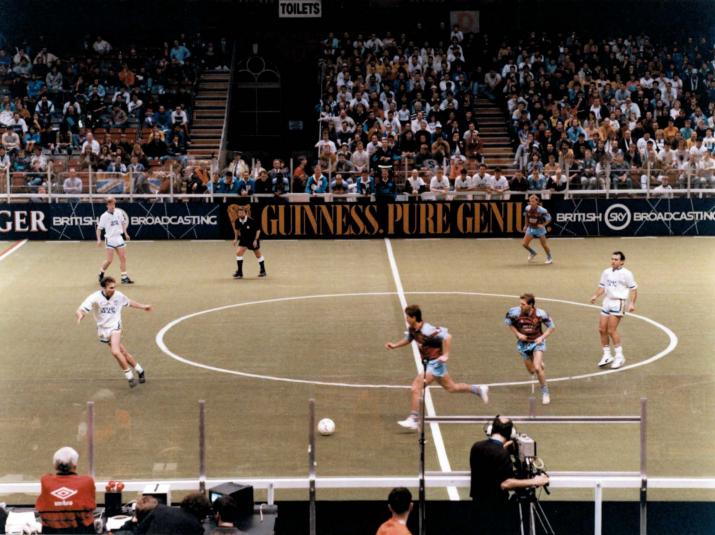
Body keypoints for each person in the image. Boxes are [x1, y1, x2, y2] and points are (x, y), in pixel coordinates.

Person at [385, 305, 489, 430]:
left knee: (416, 387)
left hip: (435, 363)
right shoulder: (413, 329)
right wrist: (395, 345)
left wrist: (446, 354)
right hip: (430, 363)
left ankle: (413, 418)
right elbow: (409, 338)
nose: (406, 318)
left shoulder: (428, 330)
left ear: (414, 317)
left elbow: (448, 337)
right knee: (451, 387)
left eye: (407, 316)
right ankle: (478, 390)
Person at [470, 416, 549, 535]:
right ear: (510, 433)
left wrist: (502, 449)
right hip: (496, 509)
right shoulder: (502, 454)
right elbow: (505, 483)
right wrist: (535, 481)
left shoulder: (476, 447)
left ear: (492, 430)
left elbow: (489, 464)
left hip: (477, 505)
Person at [76, 276, 151, 388]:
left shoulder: (118, 295)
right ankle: (140, 370)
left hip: (115, 326)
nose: (113, 289)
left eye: (114, 287)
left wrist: (143, 306)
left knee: (115, 352)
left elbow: (129, 302)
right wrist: (80, 315)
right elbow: (80, 309)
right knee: (123, 352)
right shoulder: (95, 297)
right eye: (111, 288)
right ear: (104, 288)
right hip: (103, 329)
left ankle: (129, 377)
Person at [504, 293, 556, 405]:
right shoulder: (514, 312)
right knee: (531, 371)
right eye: (520, 303)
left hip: (537, 342)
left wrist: (542, 337)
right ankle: (539, 362)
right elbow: (509, 324)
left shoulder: (541, 314)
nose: (520, 306)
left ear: (531, 305)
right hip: (523, 344)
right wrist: (518, 334)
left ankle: (545, 393)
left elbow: (552, 327)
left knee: (537, 368)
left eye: (523, 304)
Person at [590, 251, 638, 369]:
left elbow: (633, 289)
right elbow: (602, 286)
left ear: (622, 261)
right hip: (607, 301)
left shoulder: (627, 274)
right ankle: (607, 355)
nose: (613, 261)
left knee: (611, 330)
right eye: (612, 259)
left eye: (616, 259)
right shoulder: (606, 272)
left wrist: (632, 303)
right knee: (602, 329)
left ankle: (619, 356)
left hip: (618, 302)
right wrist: (595, 296)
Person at [35, 447, 96, 534]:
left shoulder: (46, 481)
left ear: (55, 466)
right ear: (75, 466)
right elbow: (91, 505)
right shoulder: (87, 481)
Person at [97, 196, 134, 284]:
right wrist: (98, 240)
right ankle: (101, 273)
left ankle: (124, 277)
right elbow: (99, 229)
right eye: (110, 204)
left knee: (123, 258)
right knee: (109, 260)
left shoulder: (119, 212)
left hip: (119, 238)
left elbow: (123, 223)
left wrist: (126, 233)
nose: (112, 206)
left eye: (113, 204)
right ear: (107, 205)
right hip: (110, 239)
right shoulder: (104, 216)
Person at [232, 204, 266, 279]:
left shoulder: (251, 221)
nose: (240, 214)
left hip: (252, 239)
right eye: (239, 213)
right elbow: (236, 230)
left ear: (246, 213)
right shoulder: (237, 221)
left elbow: (258, 230)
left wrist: (255, 240)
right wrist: (236, 239)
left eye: (242, 212)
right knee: (238, 253)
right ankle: (240, 272)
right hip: (244, 239)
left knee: (258, 255)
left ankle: (263, 270)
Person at [522, 194, 553, 264]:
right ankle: (533, 252)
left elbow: (549, 218)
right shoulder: (527, 208)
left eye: (533, 201)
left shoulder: (542, 210)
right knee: (524, 244)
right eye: (530, 201)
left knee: (544, 245)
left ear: (537, 202)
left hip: (540, 230)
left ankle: (549, 258)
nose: (531, 203)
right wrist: (525, 225)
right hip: (530, 228)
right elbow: (526, 216)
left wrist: (543, 225)